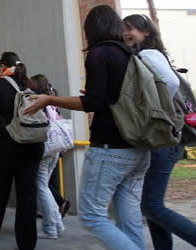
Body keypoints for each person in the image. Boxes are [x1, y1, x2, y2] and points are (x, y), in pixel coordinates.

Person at [24, 6, 150, 250]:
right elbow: (110, 98)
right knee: (129, 216)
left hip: (111, 148)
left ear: (91, 29)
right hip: (140, 149)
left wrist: (49, 99)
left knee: (92, 216)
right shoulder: (131, 54)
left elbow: (92, 103)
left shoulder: (98, 54)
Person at [124, 14, 196, 249]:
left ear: (146, 33)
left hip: (165, 139)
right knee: (151, 204)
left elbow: (169, 83)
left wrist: (153, 110)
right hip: (168, 140)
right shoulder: (152, 55)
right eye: (123, 28)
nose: (126, 32)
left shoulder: (146, 54)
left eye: (131, 28)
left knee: (152, 206)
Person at [0, 52, 44, 250]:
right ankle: (27, 243)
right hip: (33, 145)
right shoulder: (28, 86)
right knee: (27, 193)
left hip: (5, 147)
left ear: (2, 65)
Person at [29, 74, 64, 239]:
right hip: (55, 149)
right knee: (45, 187)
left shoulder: (39, 104)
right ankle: (57, 222)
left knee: (42, 187)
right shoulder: (53, 103)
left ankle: (51, 227)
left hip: (44, 149)